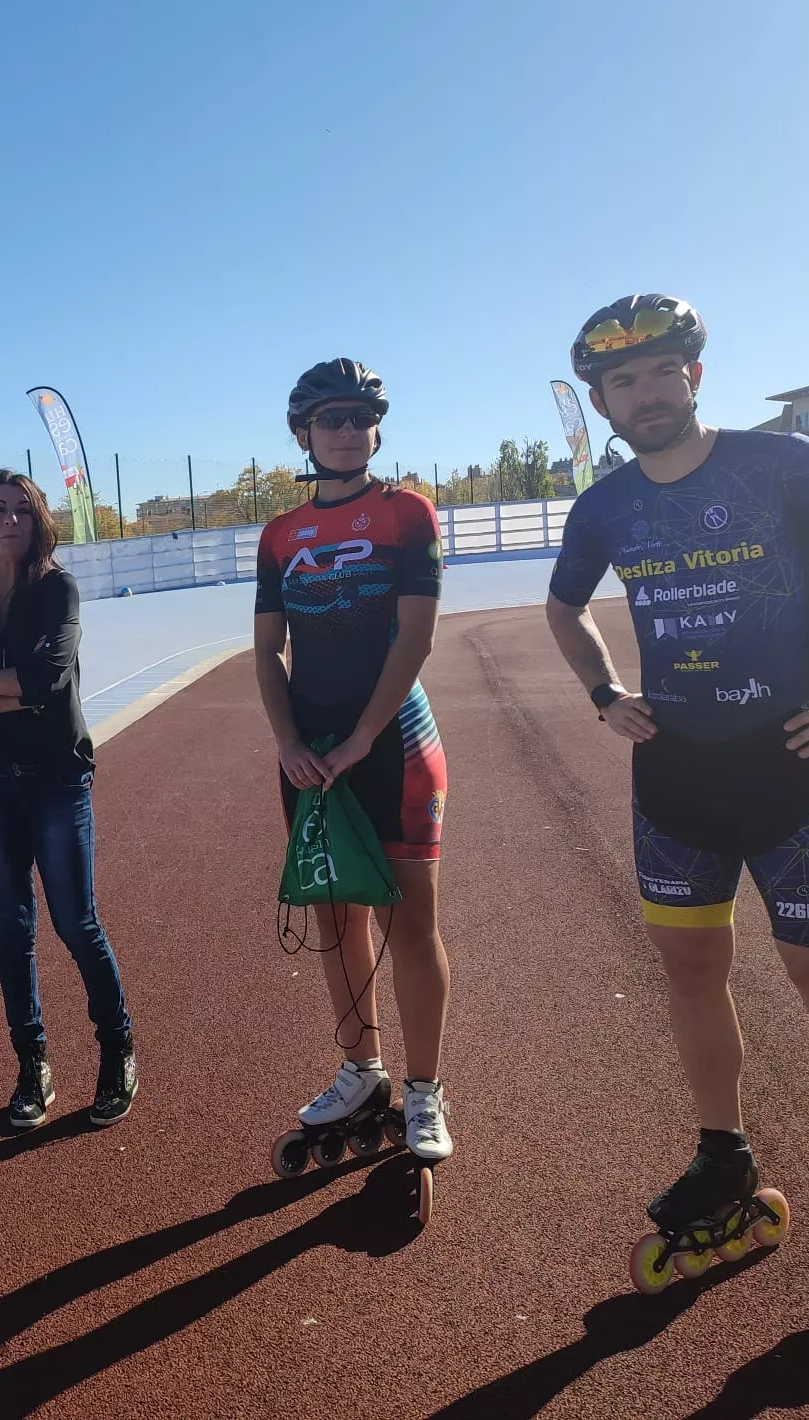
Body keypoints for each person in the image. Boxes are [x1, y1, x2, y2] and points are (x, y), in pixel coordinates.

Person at [544, 295, 809, 1329]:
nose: (645, 393)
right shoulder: (603, 507)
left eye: (662, 371)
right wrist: (602, 695)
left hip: (786, 770)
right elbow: (561, 605)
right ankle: (722, 1156)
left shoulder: (781, 466)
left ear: (693, 376)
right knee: (689, 974)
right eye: (622, 382)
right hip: (670, 784)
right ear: (601, 400)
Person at [253, 360, 455, 1169]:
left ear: (376, 430)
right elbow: (268, 650)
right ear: (303, 433)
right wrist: (289, 742)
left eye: (359, 417)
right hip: (311, 754)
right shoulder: (279, 534)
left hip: (392, 743)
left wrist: (363, 735)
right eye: (329, 418)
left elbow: (417, 637)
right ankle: (361, 1071)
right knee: (338, 924)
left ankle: (426, 1088)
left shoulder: (409, 513)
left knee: (412, 923)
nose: (345, 430)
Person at [0, 469, 138, 1131]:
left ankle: (118, 1049)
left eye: (23, 510)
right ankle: (33, 1065)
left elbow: (45, 686)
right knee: (11, 928)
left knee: (76, 922)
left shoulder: (58, 589)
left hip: (56, 775)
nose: (11, 521)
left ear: (40, 520)